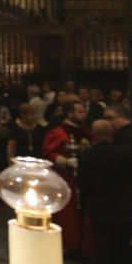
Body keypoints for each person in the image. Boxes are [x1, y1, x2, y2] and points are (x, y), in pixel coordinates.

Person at [78, 120, 132, 264]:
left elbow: (83, 184)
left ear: (93, 135)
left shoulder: (86, 156)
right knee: (124, 241)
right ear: (112, 133)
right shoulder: (126, 155)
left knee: (104, 242)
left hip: (99, 205)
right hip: (125, 205)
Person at [43, 101, 90, 252]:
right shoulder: (58, 133)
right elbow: (48, 154)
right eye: (80, 112)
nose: (84, 115)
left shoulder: (84, 131)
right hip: (65, 179)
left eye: (84, 112)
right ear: (70, 114)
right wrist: (66, 162)